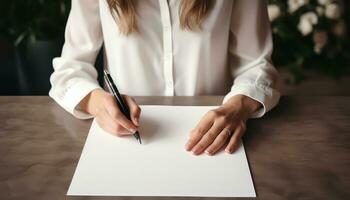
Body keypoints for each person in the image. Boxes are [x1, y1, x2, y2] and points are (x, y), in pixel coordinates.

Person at [49, 0, 280, 156]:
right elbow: (70, 69)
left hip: (215, 143)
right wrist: (96, 102)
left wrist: (237, 107)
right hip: (124, 147)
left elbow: (257, 65)